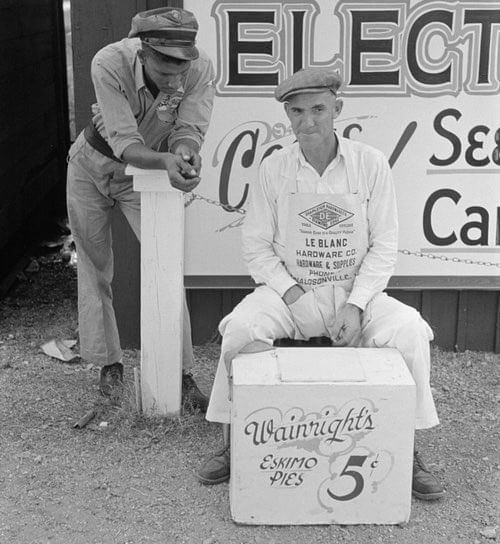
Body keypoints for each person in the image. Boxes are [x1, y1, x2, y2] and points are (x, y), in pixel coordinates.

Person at [196, 68, 445, 500]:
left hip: (356, 294)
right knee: (241, 328)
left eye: (317, 109)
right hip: (290, 292)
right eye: (296, 112)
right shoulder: (274, 169)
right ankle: (234, 440)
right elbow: (256, 247)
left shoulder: (369, 163)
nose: (307, 121)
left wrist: (357, 304)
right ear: (286, 116)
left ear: (337, 109)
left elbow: (385, 245)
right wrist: (293, 295)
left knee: (408, 330)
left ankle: (407, 448)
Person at [66, 7, 214, 410]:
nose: (174, 80)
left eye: (181, 69)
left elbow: (189, 128)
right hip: (91, 164)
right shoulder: (109, 62)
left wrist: (185, 153)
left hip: (145, 174)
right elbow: (124, 142)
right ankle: (109, 367)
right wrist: (167, 162)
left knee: (166, 265)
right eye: (164, 71)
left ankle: (181, 375)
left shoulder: (200, 69)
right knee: (95, 268)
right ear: (142, 51)